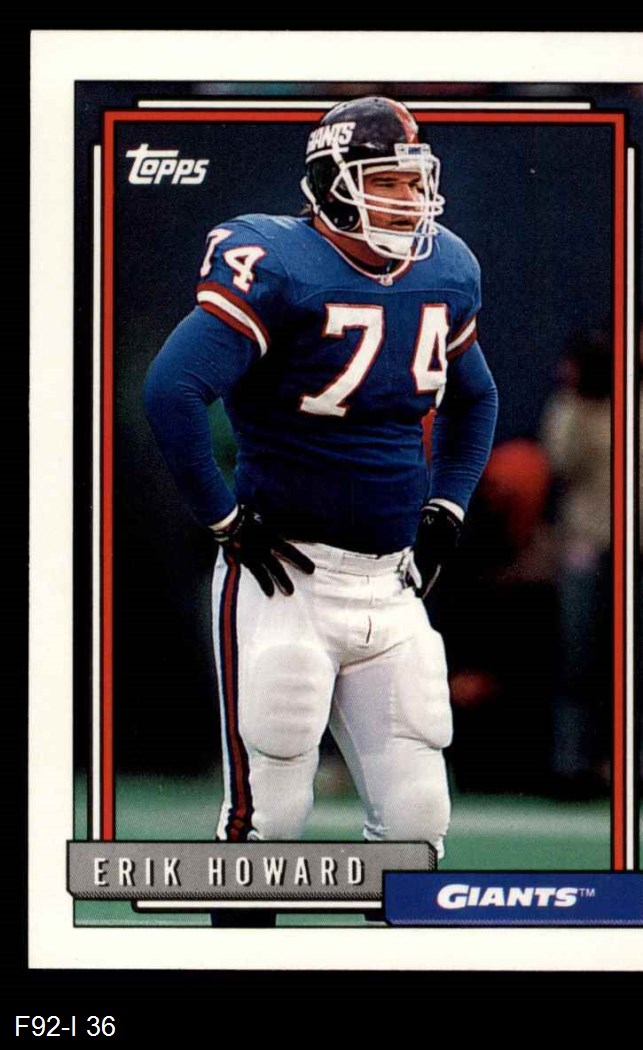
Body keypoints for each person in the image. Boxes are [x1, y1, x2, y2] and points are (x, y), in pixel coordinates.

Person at [143, 97, 499, 917]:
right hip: (287, 580)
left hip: (391, 584)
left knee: (417, 820)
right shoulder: (277, 261)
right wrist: (223, 517)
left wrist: (448, 506)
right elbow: (172, 390)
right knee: (270, 819)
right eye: (390, 182)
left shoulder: (446, 267)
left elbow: (476, 397)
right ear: (334, 184)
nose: (412, 200)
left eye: (416, 182)